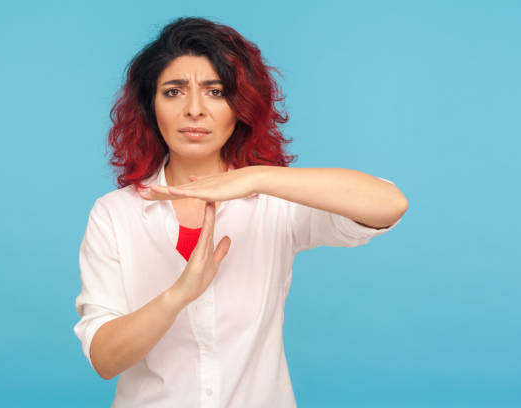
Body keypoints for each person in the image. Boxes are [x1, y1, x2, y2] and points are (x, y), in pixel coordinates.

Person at [73, 16, 408, 408]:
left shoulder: (273, 201)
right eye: (174, 91)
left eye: (215, 92)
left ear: (240, 107)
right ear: (151, 106)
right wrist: (178, 295)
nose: (194, 110)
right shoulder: (114, 215)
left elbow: (389, 204)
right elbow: (104, 358)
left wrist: (257, 178)